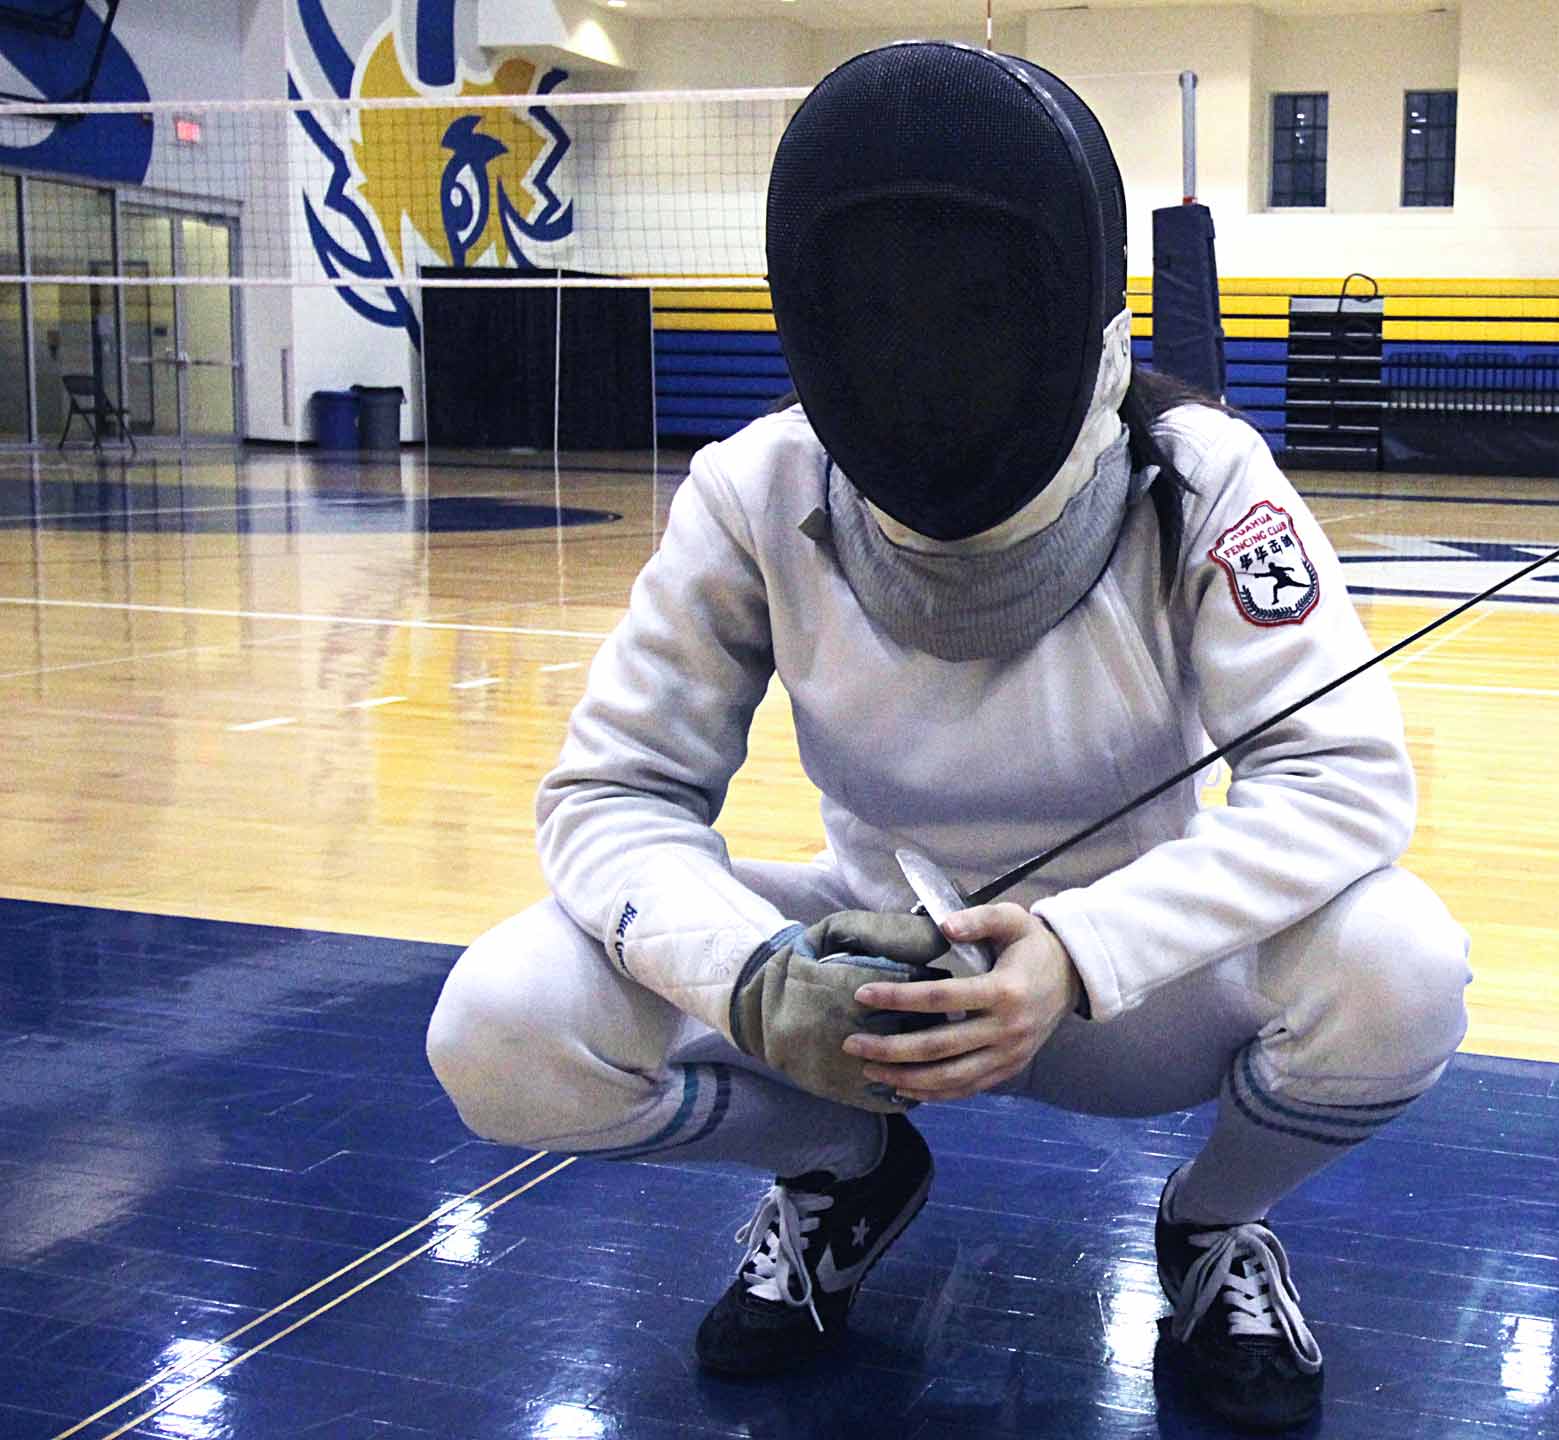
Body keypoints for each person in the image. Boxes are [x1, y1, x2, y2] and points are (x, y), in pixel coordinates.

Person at [424, 41, 1470, 1432]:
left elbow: (1341, 787)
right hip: (859, 987)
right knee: (500, 1028)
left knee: (1403, 966)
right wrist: (748, 978)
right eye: (885, 308)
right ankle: (849, 1170)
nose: (926, 352)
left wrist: (1081, 954)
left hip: (1128, 996)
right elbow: (613, 794)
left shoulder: (1202, 478)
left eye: (973, 305)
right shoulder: (755, 489)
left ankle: (1215, 1224)